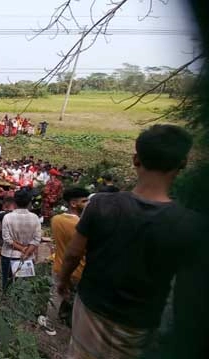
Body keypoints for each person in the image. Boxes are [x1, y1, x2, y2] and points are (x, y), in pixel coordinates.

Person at [58, 125, 201, 358]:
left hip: (92, 309)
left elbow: (73, 254)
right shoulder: (190, 224)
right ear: (182, 163)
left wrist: (63, 281)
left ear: (136, 160)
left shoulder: (101, 205)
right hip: (142, 324)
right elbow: (186, 290)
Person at [42, 187, 90, 330]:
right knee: (79, 302)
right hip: (80, 269)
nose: (88, 204)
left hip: (59, 266)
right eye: (85, 201)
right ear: (73, 203)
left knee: (55, 297)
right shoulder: (82, 225)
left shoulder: (56, 220)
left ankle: (49, 325)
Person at [0, 190, 42, 292]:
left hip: (9, 255)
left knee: (8, 284)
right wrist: (26, 252)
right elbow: (37, 239)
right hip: (27, 257)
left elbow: (6, 238)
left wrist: (21, 249)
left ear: (14, 202)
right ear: (29, 203)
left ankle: (5, 304)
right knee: (23, 287)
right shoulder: (35, 218)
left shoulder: (7, 217)